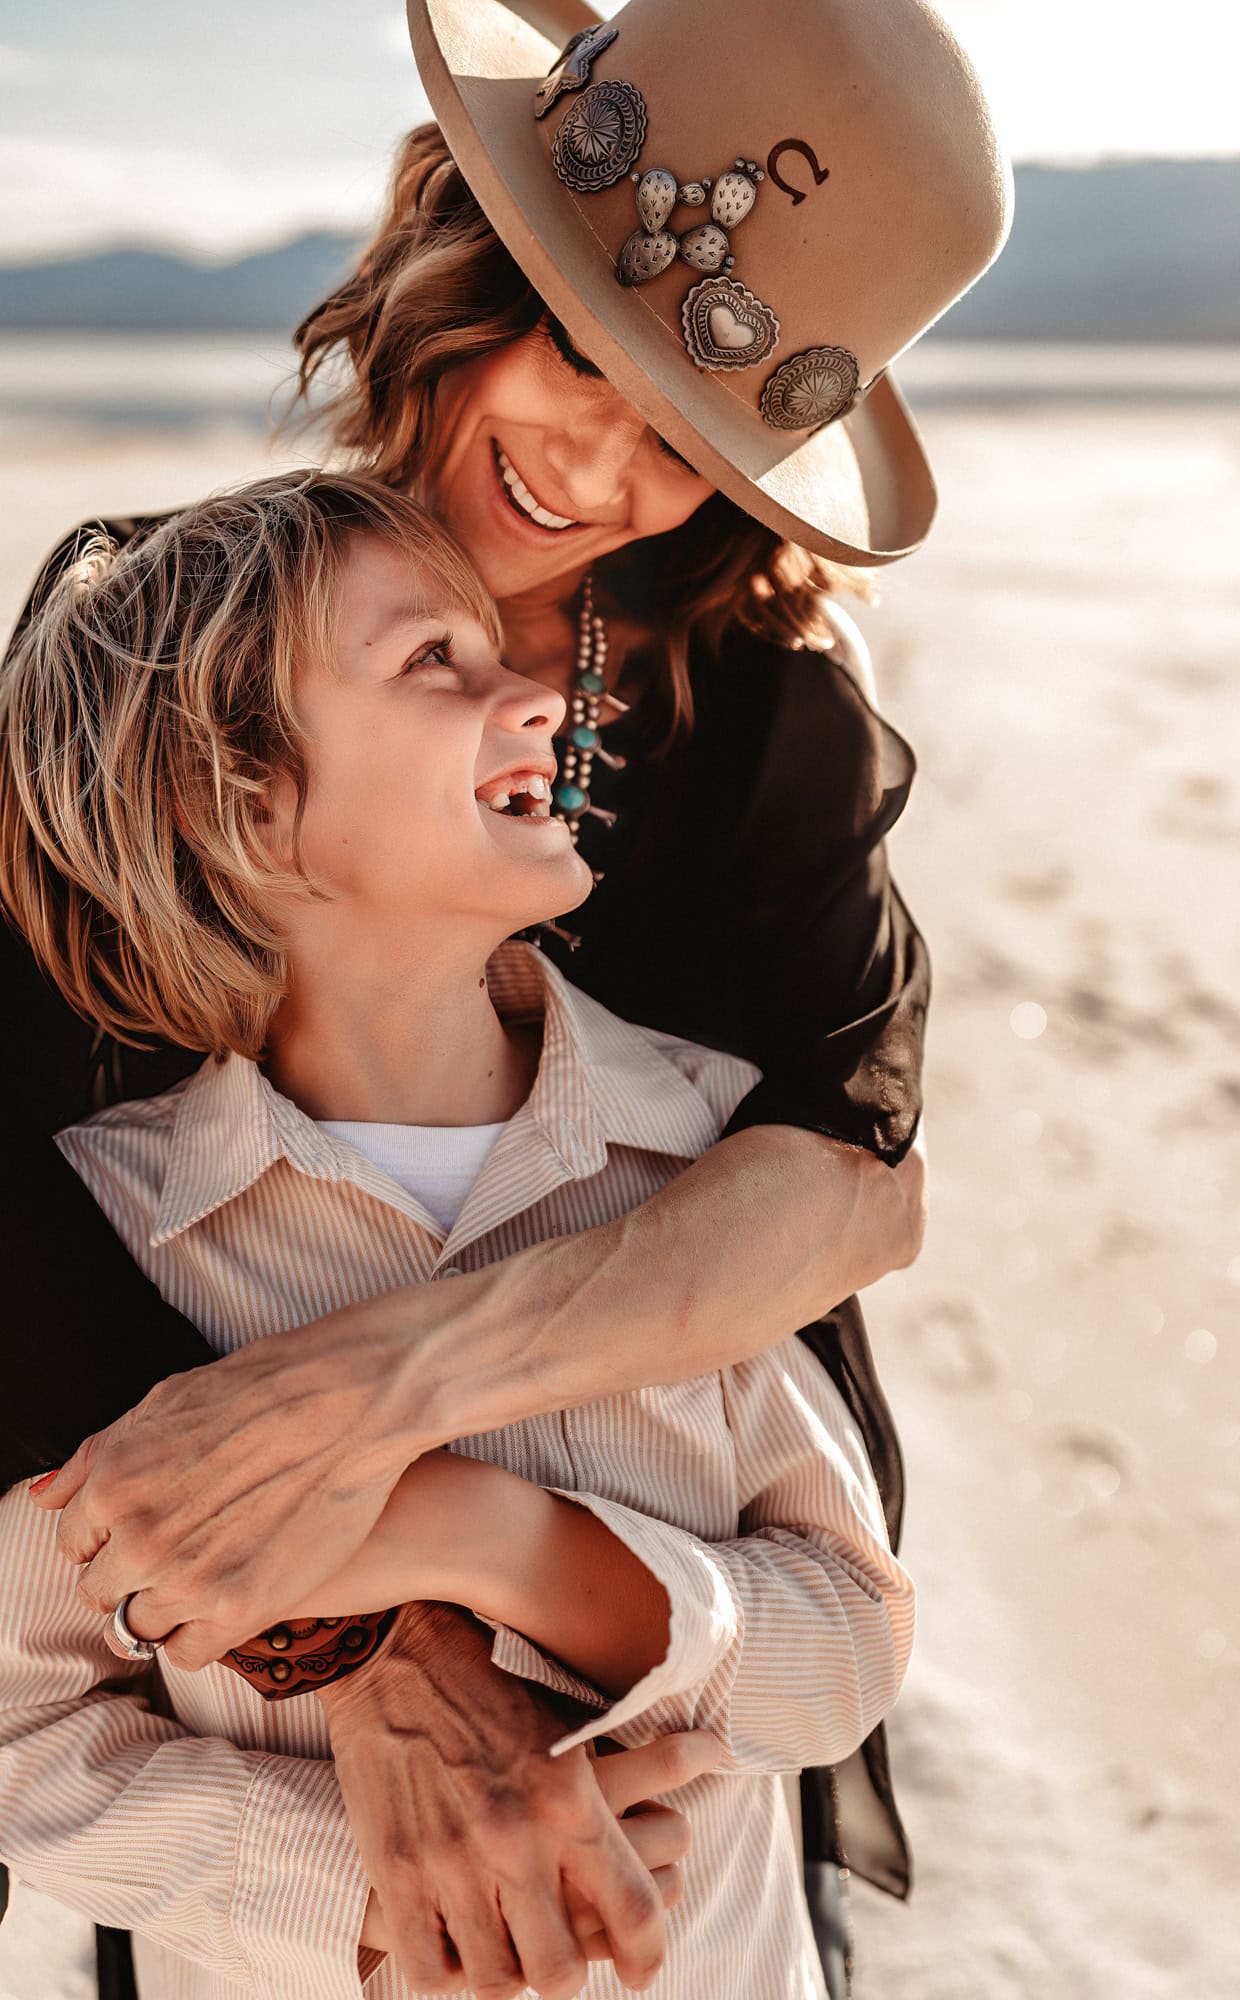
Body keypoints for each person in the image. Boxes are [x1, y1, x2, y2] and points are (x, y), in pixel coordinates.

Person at [0, 1, 1010, 1993]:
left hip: (680, 1700)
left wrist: (394, 1427)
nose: (600, 470)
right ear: (463, 251)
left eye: (694, 435)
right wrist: (353, 1639)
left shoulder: (757, 720)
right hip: (202, 1670)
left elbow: (846, 1181)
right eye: (578, 349)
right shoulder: (175, 679)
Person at [0, 468, 916, 2000]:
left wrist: (495, 1543)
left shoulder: (696, 1157)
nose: (543, 697)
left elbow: (848, 1642)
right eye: (439, 662)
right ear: (242, 798)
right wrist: (353, 1881)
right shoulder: (112, 1236)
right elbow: (30, 1737)